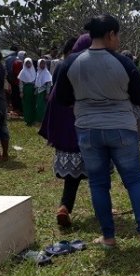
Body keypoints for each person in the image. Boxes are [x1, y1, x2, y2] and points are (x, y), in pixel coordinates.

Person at [56, 14, 140, 248]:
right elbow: (139, 97)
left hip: (88, 129)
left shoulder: (71, 62)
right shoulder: (123, 62)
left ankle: (108, 237)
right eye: (117, 35)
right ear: (111, 34)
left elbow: (62, 97)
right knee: (134, 180)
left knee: (98, 183)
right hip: (121, 128)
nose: (118, 40)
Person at [39, 34, 91, 227]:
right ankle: (103, 208)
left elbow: (55, 97)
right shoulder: (90, 65)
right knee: (98, 173)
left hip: (66, 128)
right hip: (86, 126)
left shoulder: (63, 65)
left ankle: (64, 207)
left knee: (72, 177)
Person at [18, 57, 37, 125]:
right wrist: (21, 92)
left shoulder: (34, 71)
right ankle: (28, 120)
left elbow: (36, 81)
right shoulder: (22, 72)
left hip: (33, 89)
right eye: (27, 63)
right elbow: (20, 83)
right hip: (26, 89)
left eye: (29, 63)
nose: (28, 64)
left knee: (33, 104)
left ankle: (33, 119)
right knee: (27, 105)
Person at [34, 58, 52, 123]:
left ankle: (42, 120)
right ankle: (38, 119)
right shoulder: (38, 72)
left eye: (44, 63)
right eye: (41, 63)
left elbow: (49, 84)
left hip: (43, 92)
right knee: (38, 106)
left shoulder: (46, 73)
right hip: (38, 92)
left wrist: (47, 93)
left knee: (42, 106)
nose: (42, 65)